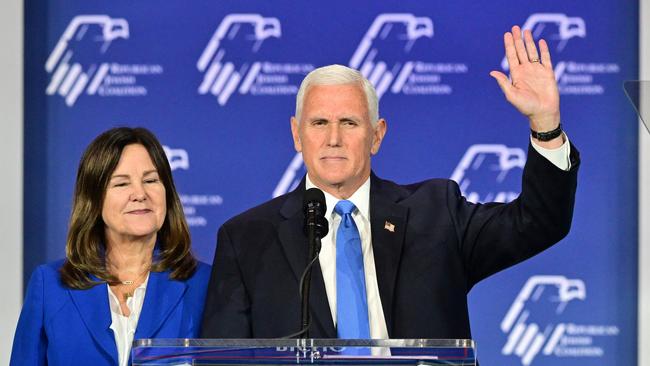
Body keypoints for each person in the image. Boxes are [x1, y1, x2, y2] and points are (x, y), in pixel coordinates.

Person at [200, 26, 579, 340]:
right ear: (297, 135)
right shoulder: (247, 239)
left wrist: (546, 125)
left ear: (377, 135)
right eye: (319, 124)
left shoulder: (437, 213)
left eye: (349, 122)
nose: (333, 138)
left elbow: (539, 223)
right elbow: (221, 358)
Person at [11, 127, 210, 366]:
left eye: (150, 180)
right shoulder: (50, 286)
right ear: (93, 200)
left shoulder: (206, 283)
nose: (140, 193)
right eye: (121, 184)